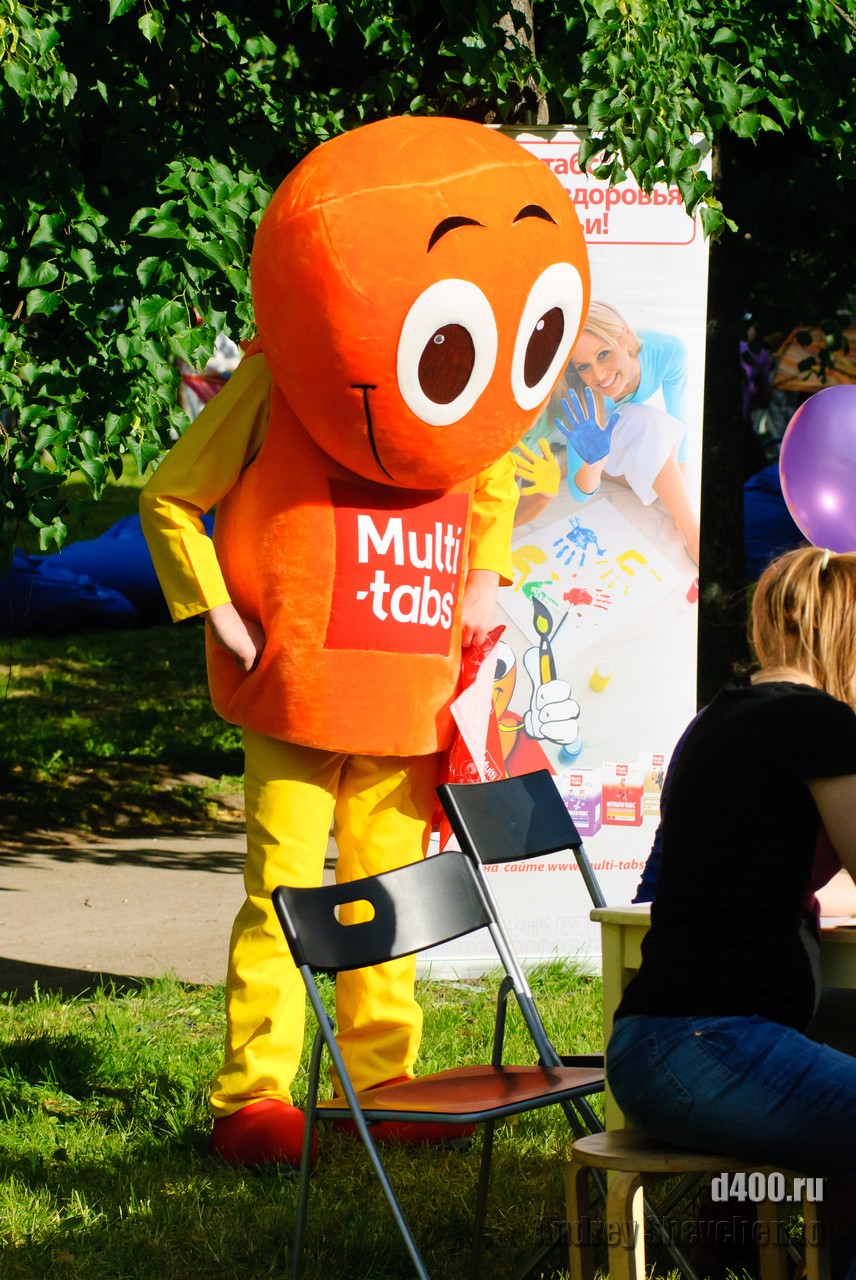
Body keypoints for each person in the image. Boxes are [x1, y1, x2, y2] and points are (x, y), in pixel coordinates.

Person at [139, 115, 591, 1169]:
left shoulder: (466, 404)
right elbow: (170, 495)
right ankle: (254, 1093)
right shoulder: (281, 381)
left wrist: (484, 577)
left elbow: (489, 479)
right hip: (297, 685)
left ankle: (384, 1081)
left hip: (406, 689)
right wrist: (216, 609)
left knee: (394, 897)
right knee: (285, 891)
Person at [607, 545, 856, 1267]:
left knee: (847, 1023)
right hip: (708, 1047)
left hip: (661, 1045)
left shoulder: (720, 718)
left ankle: (748, 1246)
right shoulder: (816, 723)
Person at [514, 302, 700, 563]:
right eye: (583, 366)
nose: (599, 375)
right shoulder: (582, 395)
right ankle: (566, 461)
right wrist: (594, 464)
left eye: (603, 354)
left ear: (625, 336)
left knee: (656, 439)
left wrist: (681, 506)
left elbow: (678, 418)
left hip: (604, 426)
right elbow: (579, 493)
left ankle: (695, 536)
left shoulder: (668, 351)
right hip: (555, 436)